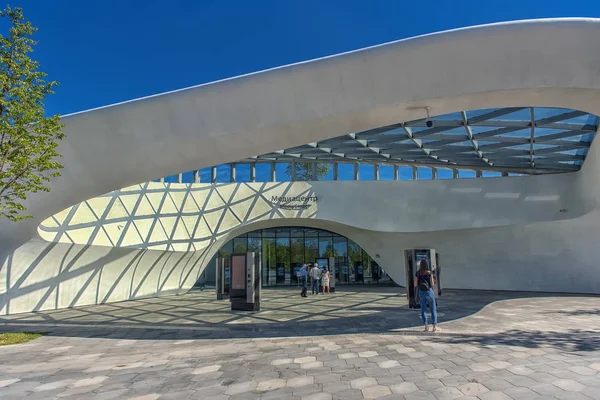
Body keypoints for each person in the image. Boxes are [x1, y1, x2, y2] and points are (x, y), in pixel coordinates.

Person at [413, 260, 438, 332]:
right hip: (429, 291)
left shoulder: (417, 273)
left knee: (423, 309)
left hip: (421, 292)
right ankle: (434, 326)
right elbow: (432, 284)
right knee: (433, 309)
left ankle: (426, 326)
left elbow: (415, 284)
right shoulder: (429, 273)